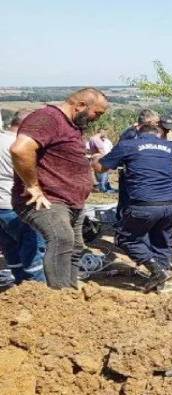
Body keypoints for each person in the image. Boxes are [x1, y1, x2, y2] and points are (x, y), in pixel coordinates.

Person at [11, 88, 108, 289]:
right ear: (81, 105)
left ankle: (70, 293)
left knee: (76, 247)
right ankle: (59, 299)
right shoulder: (48, 118)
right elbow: (20, 150)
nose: (96, 119)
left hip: (72, 201)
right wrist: (33, 186)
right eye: (96, 113)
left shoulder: (71, 125)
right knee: (62, 239)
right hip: (49, 199)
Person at [92, 124, 172, 292]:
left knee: (125, 238)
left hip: (144, 204)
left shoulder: (128, 145)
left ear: (138, 134)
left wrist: (95, 157)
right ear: (158, 133)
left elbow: (100, 167)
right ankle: (159, 282)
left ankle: (157, 271)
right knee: (162, 241)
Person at [0, 111, 46, 284]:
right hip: (16, 205)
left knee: (10, 249)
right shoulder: (20, 146)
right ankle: (37, 291)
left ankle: (20, 288)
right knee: (33, 249)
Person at [116, 109, 162, 221]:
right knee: (127, 203)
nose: (157, 125)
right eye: (155, 122)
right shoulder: (131, 134)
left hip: (142, 176)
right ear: (147, 121)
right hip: (131, 176)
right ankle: (122, 228)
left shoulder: (141, 133)